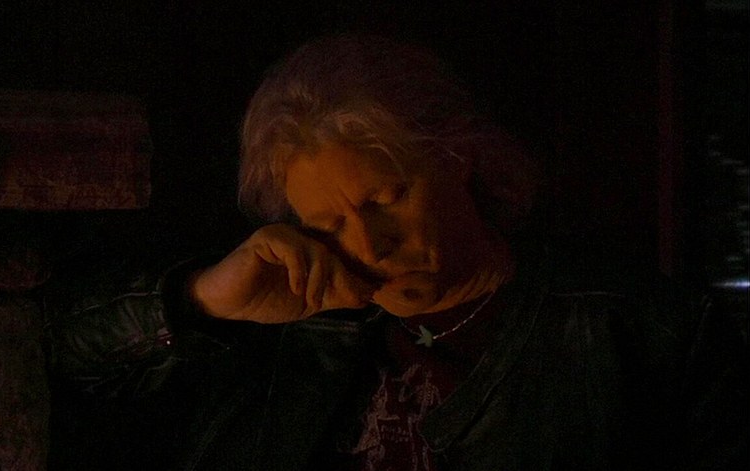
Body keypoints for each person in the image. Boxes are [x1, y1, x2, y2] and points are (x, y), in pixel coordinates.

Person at [47, 35, 746, 471]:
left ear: (460, 156)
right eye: (327, 221)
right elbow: (53, 357)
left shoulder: (646, 330)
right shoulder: (282, 319)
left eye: (386, 198)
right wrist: (200, 299)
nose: (367, 244)